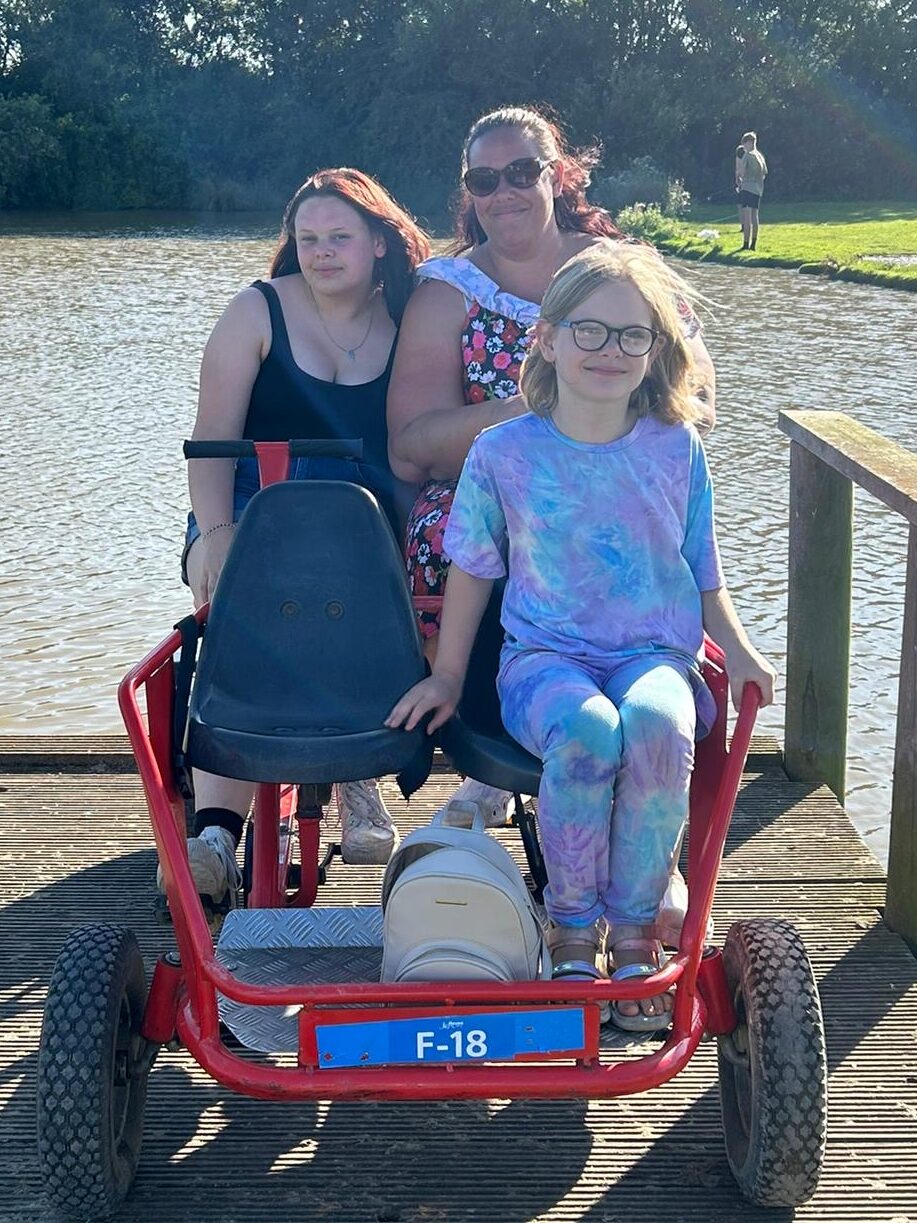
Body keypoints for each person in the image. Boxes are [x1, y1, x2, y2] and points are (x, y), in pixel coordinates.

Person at [386, 241, 775, 1030]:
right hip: (544, 659)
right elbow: (472, 568)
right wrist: (450, 675)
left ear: (656, 349)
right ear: (548, 337)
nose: (609, 351)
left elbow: (702, 567)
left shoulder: (675, 447)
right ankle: (571, 926)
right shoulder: (504, 450)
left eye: (632, 335)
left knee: (660, 724)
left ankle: (634, 930)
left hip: (650, 652)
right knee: (588, 731)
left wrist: (734, 645)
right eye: (588, 331)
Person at [387, 105, 717, 829]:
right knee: (461, 535)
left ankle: (646, 758)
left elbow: (693, 399)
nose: (501, 191)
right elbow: (411, 446)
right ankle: (494, 747)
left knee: (631, 521)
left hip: (609, 473)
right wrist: (542, 406)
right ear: (467, 191)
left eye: (520, 172)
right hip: (489, 483)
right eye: (482, 179)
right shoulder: (448, 288)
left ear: (558, 175)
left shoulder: (622, 270)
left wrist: (592, 428)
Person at [163, 168, 431, 909]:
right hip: (251, 506)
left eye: (339, 236)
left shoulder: (411, 317)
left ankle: (356, 773)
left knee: (374, 602)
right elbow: (210, 444)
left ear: (379, 242)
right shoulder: (254, 311)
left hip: (361, 518)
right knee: (246, 606)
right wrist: (214, 536)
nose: (321, 251)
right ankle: (216, 834)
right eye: (307, 238)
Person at [736, 131, 768, 251]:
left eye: (744, 144)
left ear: (749, 143)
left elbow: (742, 173)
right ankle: (753, 244)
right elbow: (764, 173)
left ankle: (745, 244)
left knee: (746, 216)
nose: (743, 147)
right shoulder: (760, 156)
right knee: (755, 216)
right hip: (758, 189)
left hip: (747, 188)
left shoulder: (747, 156)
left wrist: (739, 177)